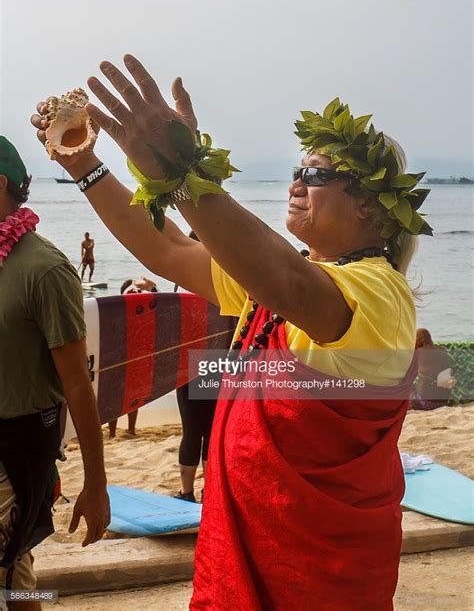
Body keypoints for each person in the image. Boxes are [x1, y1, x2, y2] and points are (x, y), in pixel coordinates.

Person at [31, 55, 433, 610]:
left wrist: (179, 169)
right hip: (236, 560)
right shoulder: (276, 284)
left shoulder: (381, 293)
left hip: (319, 580)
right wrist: (85, 163)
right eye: (297, 169)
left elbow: (289, 283)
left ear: (369, 205)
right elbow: (167, 248)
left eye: (315, 174)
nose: (296, 181)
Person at [0, 136, 110, 611]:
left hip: (18, 447)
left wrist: (97, 483)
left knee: (10, 558)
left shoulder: (44, 270)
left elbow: (78, 386)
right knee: (17, 570)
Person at [174, 231, 217, 504]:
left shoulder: (182, 284)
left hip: (188, 366)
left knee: (191, 431)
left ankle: (186, 493)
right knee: (211, 431)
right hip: (219, 364)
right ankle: (209, 492)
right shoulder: (224, 282)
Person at [107, 276, 159, 438]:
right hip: (120, 361)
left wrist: (152, 288)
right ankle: (113, 433)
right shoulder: (118, 313)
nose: (136, 292)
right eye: (132, 290)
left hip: (134, 361)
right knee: (116, 399)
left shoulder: (142, 314)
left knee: (132, 397)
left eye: (138, 290)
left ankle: (130, 430)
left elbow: (158, 304)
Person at [410, 328, 456, 411]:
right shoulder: (442, 351)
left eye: (415, 338)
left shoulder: (418, 353)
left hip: (425, 403)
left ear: (422, 339)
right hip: (444, 402)